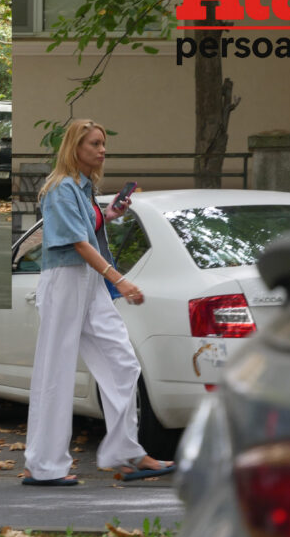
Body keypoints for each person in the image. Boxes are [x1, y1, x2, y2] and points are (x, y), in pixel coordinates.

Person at [22, 119, 176, 486]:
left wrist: (107, 216)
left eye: (103, 143)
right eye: (94, 143)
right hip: (65, 282)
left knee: (123, 363)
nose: (102, 150)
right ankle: (42, 465)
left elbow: (84, 231)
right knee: (54, 371)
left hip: (87, 282)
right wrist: (119, 279)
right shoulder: (60, 188)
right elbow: (77, 242)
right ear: (75, 147)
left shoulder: (82, 187)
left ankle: (126, 454)